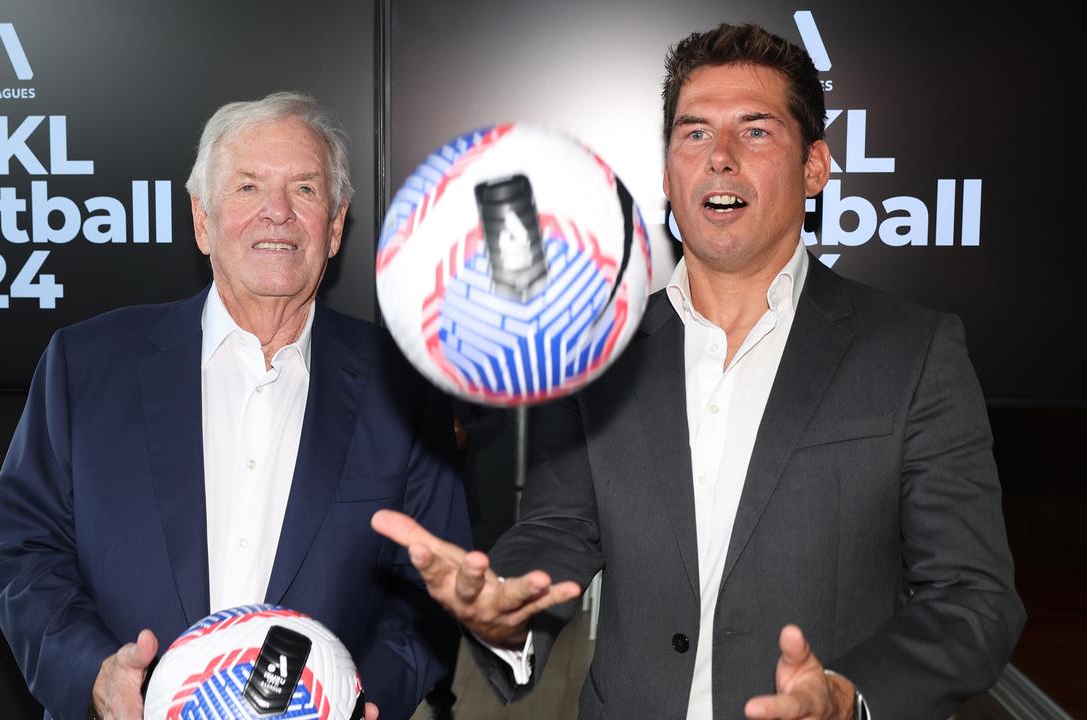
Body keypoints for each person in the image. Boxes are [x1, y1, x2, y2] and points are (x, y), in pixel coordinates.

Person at [372, 23, 1025, 720]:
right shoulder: (597, 351)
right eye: (694, 134)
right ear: (667, 173)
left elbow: (973, 598)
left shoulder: (914, 352)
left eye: (755, 132)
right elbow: (558, 528)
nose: (719, 158)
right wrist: (506, 605)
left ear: (814, 168)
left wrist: (848, 697)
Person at [0, 91, 470, 720]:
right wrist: (94, 675)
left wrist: (358, 702)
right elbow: (21, 548)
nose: (277, 213)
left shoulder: (406, 389)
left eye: (304, 189)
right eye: (246, 188)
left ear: (337, 224)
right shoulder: (87, 364)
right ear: (202, 221)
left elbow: (432, 589)